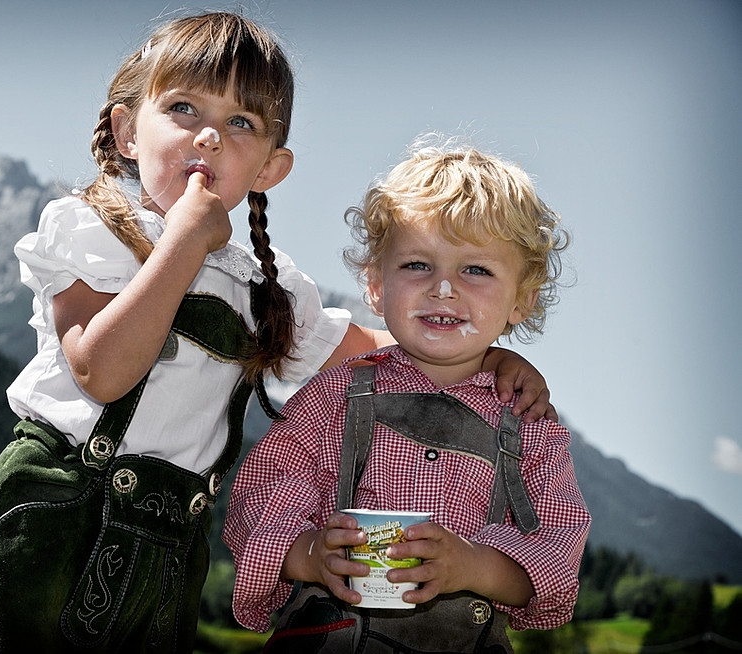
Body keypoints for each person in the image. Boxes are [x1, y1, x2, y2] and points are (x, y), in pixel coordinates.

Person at [0, 13, 555, 654]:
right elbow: (101, 368)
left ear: (268, 168)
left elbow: (384, 350)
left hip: (171, 544)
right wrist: (183, 240)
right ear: (125, 131)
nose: (208, 137)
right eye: (182, 107)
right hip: (57, 516)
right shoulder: (91, 229)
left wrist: (490, 359)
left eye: (241, 125)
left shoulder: (267, 285)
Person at [224, 138, 591, 653]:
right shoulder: (335, 396)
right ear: (376, 284)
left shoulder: (528, 423)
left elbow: (557, 557)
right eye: (418, 265)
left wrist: (471, 564)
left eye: (477, 270)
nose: (444, 288)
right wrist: (310, 554)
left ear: (522, 300)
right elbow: (258, 497)